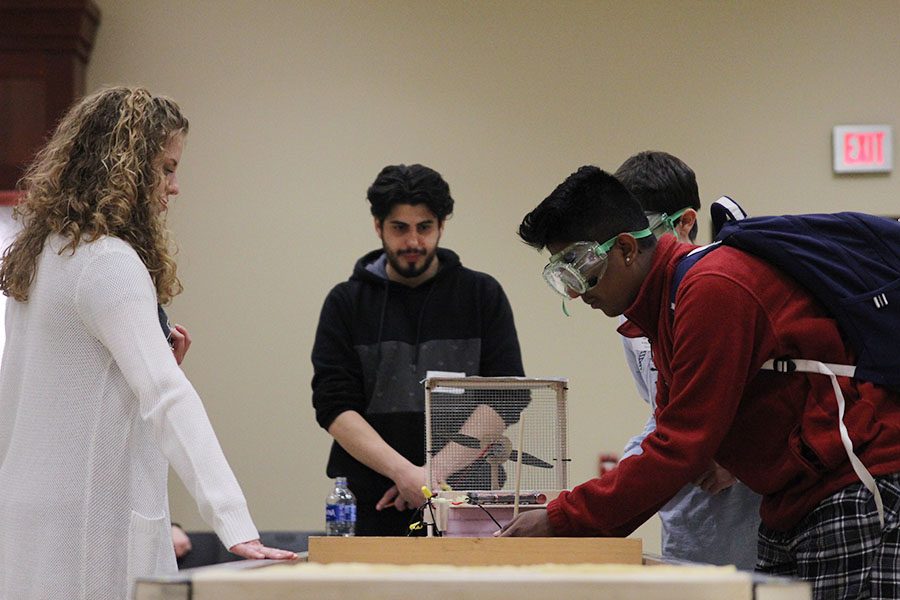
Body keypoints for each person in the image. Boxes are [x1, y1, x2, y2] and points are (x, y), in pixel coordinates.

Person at [502, 165, 900, 599]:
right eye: (562, 276)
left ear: (626, 249)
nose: (577, 291)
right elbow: (677, 439)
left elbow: (680, 447)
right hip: (792, 503)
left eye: (579, 266)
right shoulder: (664, 308)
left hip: (855, 488)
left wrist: (561, 519)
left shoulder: (712, 288)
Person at [0, 87, 295, 600]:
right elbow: (166, 396)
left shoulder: (44, 255)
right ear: (127, 170)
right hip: (88, 529)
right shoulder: (107, 261)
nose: (174, 186)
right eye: (166, 168)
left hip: (30, 521)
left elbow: (37, 396)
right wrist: (235, 524)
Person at [312, 163, 525, 536]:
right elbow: (333, 405)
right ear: (378, 226)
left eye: (424, 227)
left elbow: (506, 396)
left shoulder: (481, 295)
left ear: (442, 225)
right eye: (399, 228)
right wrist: (403, 473)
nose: (413, 242)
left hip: (466, 502)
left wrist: (428, 477)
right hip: (372, 504)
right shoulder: (345, 303)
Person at [613, 151, 760, 569]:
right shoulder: (635, 313)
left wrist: (732, 455)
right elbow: (662, 411)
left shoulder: (721, 287)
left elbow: (774, 398)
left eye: (644, 233)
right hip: (689, 507)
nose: (633, 253)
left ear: (685, 222)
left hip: (749, 503)